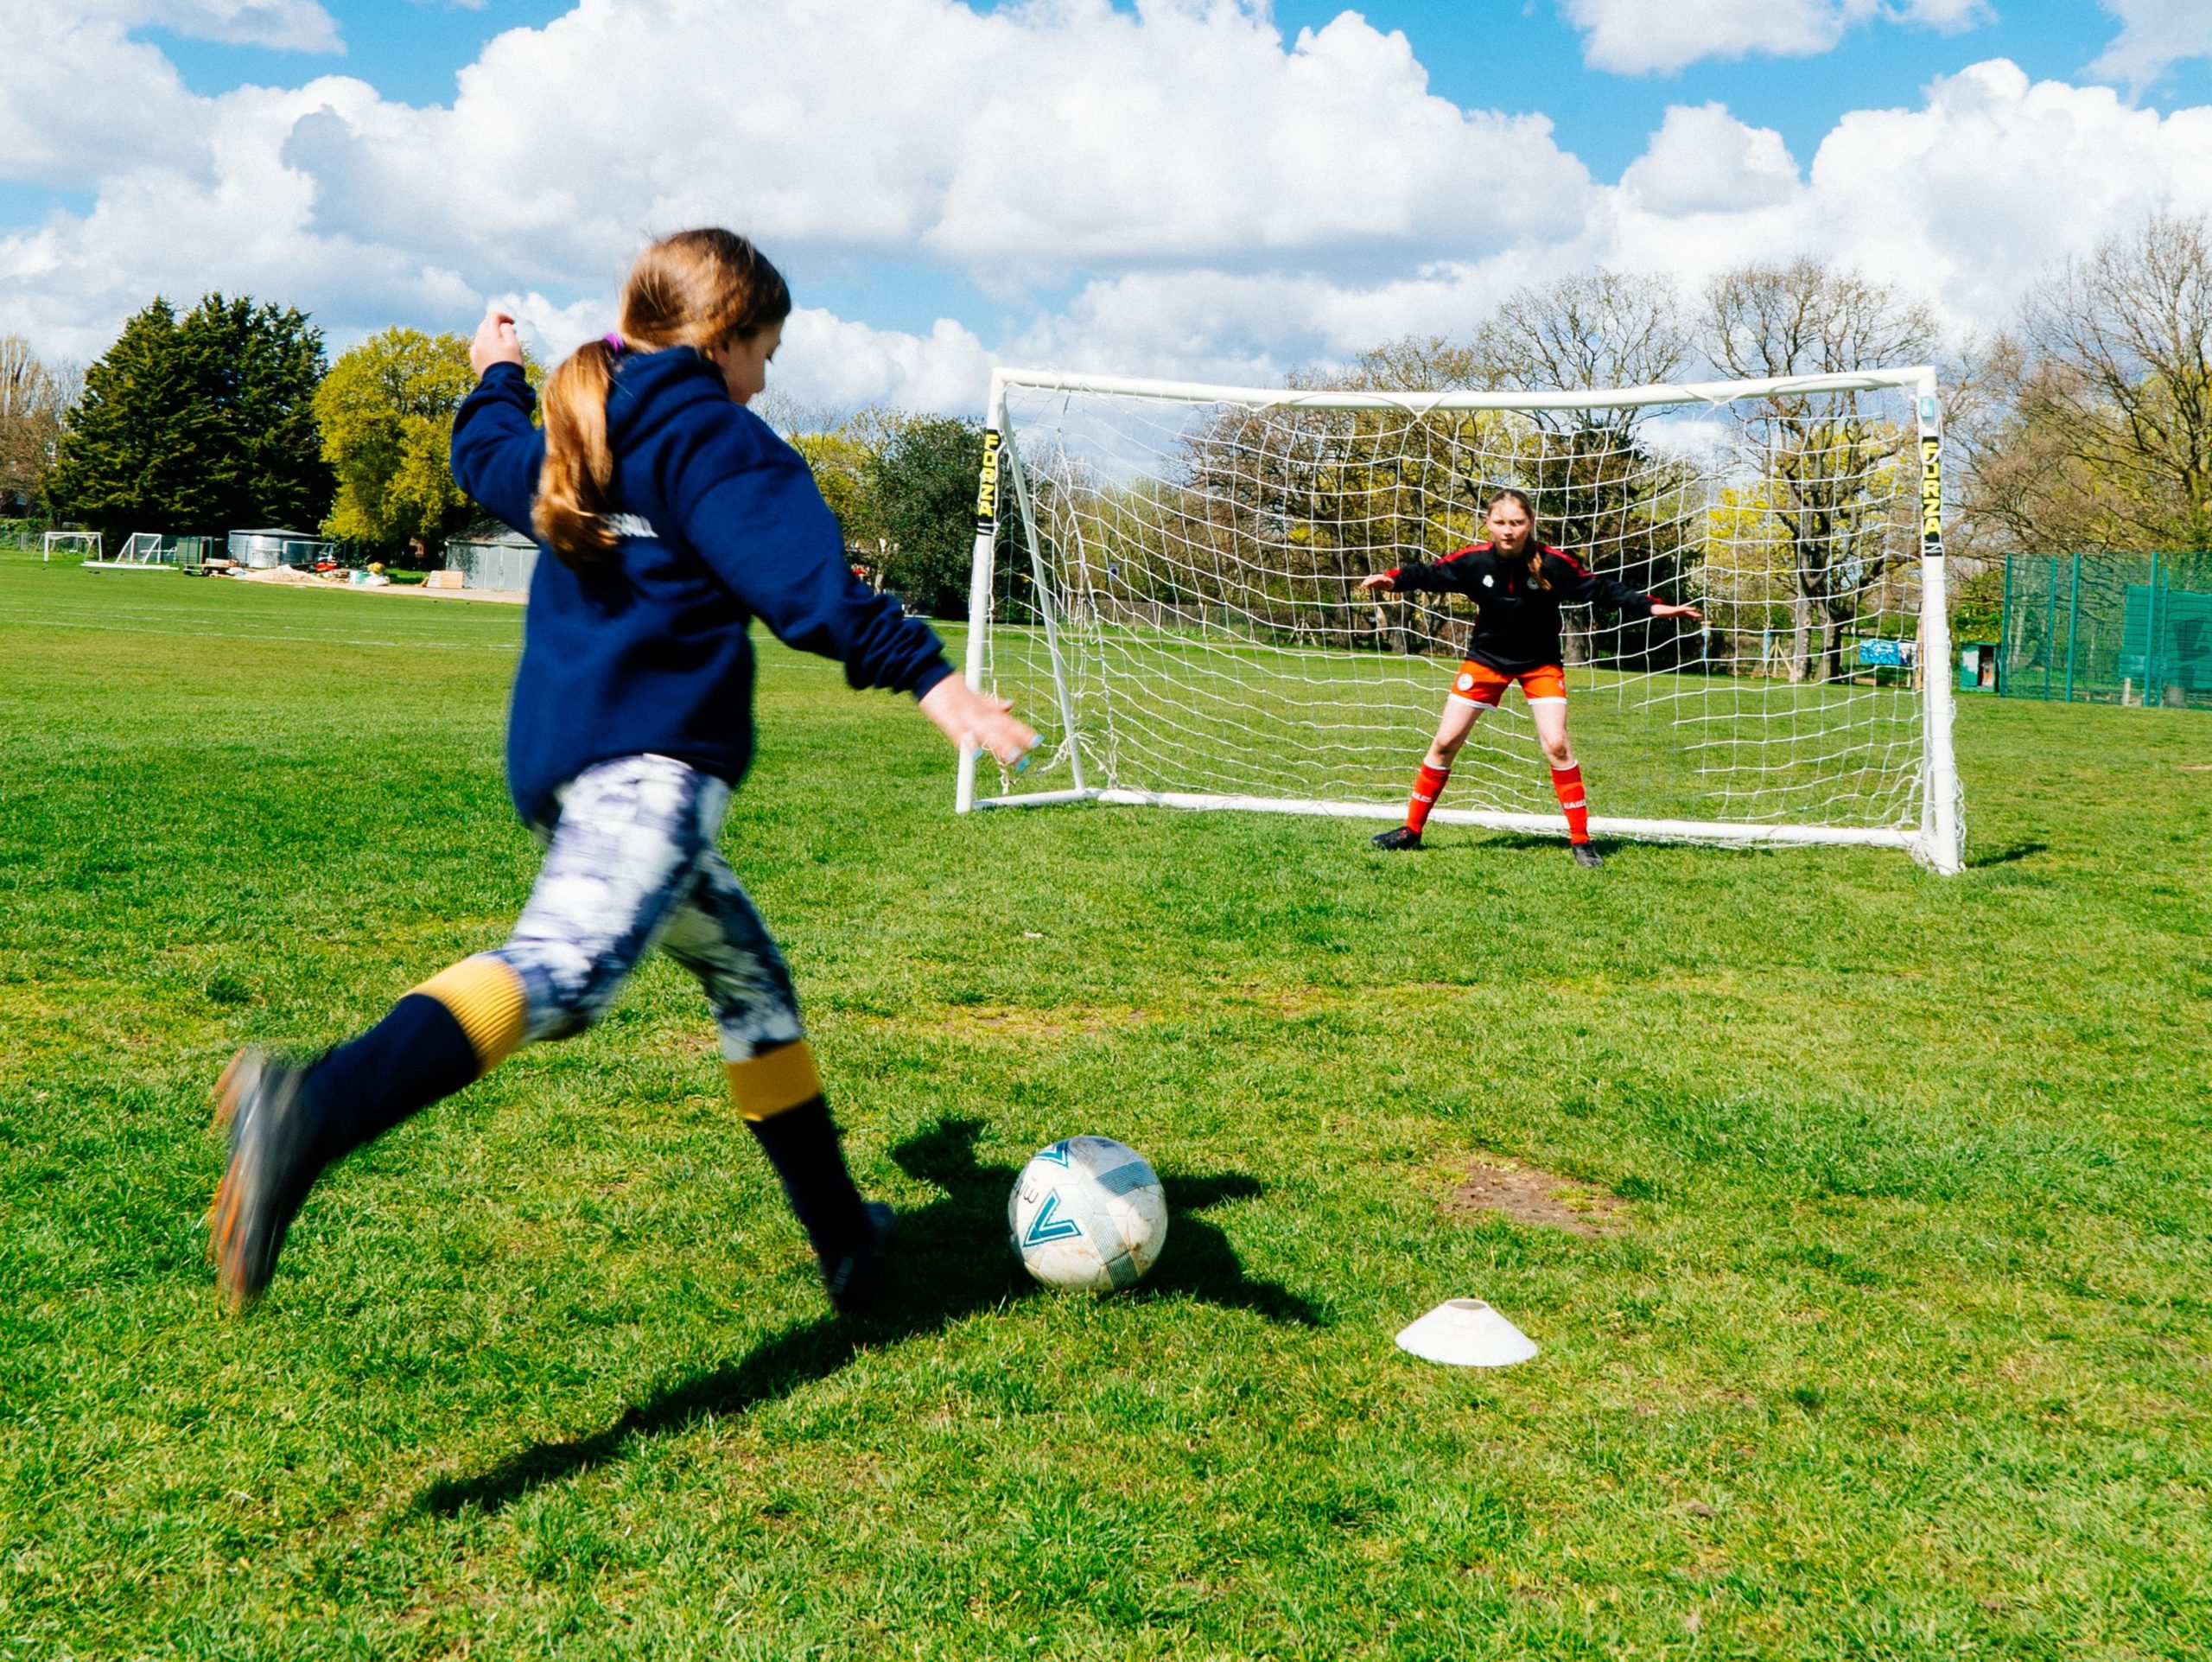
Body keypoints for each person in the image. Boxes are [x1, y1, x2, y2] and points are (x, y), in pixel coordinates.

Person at [208, 229, 1035, 1315]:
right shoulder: (716, 440)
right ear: (727, 338)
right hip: (654, 773)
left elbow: (484, 456)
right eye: (768, 353)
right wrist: (933, 681)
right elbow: (808, 590)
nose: (766, 379)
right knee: (567, 968)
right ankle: (314, 1105)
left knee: (751, 984)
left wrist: (494, 375)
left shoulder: (581, 423)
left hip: (569, 766)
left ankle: (848, 1243)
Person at [1358, 487, 1701, 866]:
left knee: (1556, 745)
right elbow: (1431, 573)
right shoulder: (1473, 562)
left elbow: (1601, 588)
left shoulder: (1552, 564)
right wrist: (1394, 580)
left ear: (1531, 524)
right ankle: (1411, 830)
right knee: (1444, 743)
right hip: (1486, 660)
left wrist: (1653, 607)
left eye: (1517, 523)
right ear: (1488, 523)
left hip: (1540, 663)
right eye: (1501, 522)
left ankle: (1581, 841)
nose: (1508, 530)